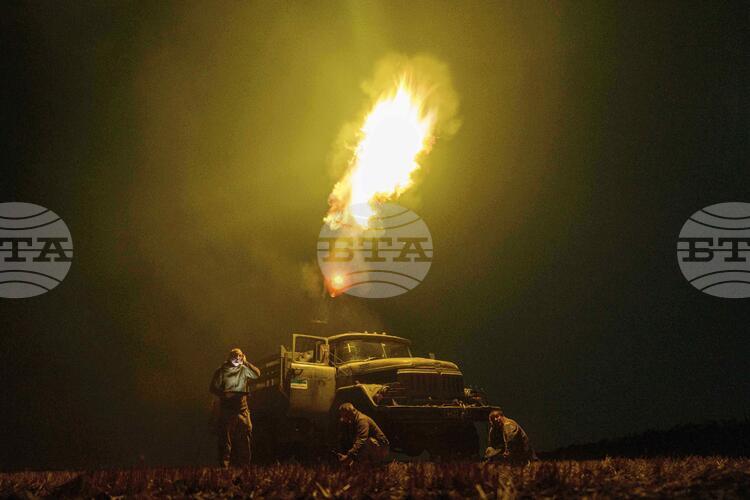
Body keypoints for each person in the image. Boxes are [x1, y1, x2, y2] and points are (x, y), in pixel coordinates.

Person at [209, 348, 261, 468]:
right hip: (228, 408)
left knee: (245, 435)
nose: (238, 358)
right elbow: (212, 387)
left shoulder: (244, 369)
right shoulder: (222, 371)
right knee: (225, 438)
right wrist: (224, 394)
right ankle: (224, 467)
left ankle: (245, 466)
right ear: (229, 357)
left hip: (242, 408)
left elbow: (257, 374)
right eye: (235, 356)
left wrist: (246, 363)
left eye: (240, 356)